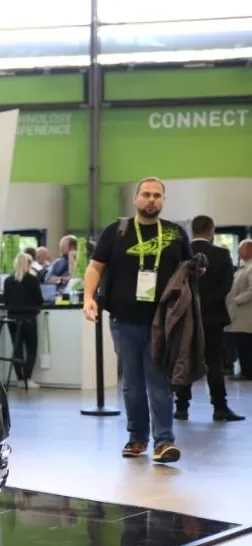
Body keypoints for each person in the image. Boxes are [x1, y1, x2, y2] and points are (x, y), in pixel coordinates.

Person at [81, 177, 191, 464]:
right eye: (146, 194)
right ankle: (137, 438)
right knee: (131, 383)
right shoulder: (116, 231)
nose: (151, 199)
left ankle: (164, 441)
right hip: (124, 320)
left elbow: (188, 275)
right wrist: (88, 298)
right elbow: (95, 267)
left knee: (158, 381)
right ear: (135, 198)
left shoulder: (176, 233)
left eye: (157, 195)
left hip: (162, 323)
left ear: (163, 200)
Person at [174, 216, 242, 422]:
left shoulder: (180, 252)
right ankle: (220, 407)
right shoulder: (222, 254)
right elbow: (226, 286)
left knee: (184, 359)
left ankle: (182, 407)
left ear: (192, 230)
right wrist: (207, 303)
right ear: (211, 230)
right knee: (214, 362)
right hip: (213, 317)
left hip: (185, 316)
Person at [3, 253, 45, 388]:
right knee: (31, 349)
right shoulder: (32, 280)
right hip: (29, 318)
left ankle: (20, 379)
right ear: (29, 264)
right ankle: (27, 379)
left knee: (17, 349)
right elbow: (39, 300)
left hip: (12, 319)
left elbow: (5, 301)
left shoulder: (8, 280)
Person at [225, 239, 252, 382]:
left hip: (247, 315)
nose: (238, 252)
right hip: (239, 315)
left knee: (246, 345)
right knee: (242, 345)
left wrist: (236, 300)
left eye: (241, 249)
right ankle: (245, 371)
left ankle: (247, 373)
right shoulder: (243, 268)